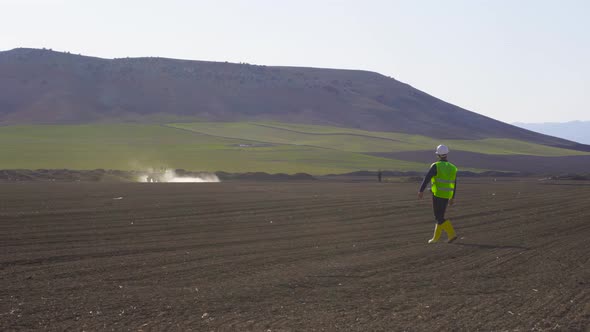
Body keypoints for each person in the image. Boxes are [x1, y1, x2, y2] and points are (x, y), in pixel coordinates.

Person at [418, 144, 458, 243]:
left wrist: (421, 190)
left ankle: (452, 234)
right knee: (440, 216)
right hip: (447, 195)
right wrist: (452, 197)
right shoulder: (453, 167)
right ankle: (435, 238)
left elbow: (427, 178)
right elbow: (454, 183)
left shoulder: (436, 166)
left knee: (438, 217)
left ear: (438, 155)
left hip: (438, 195)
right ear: (447, 154)